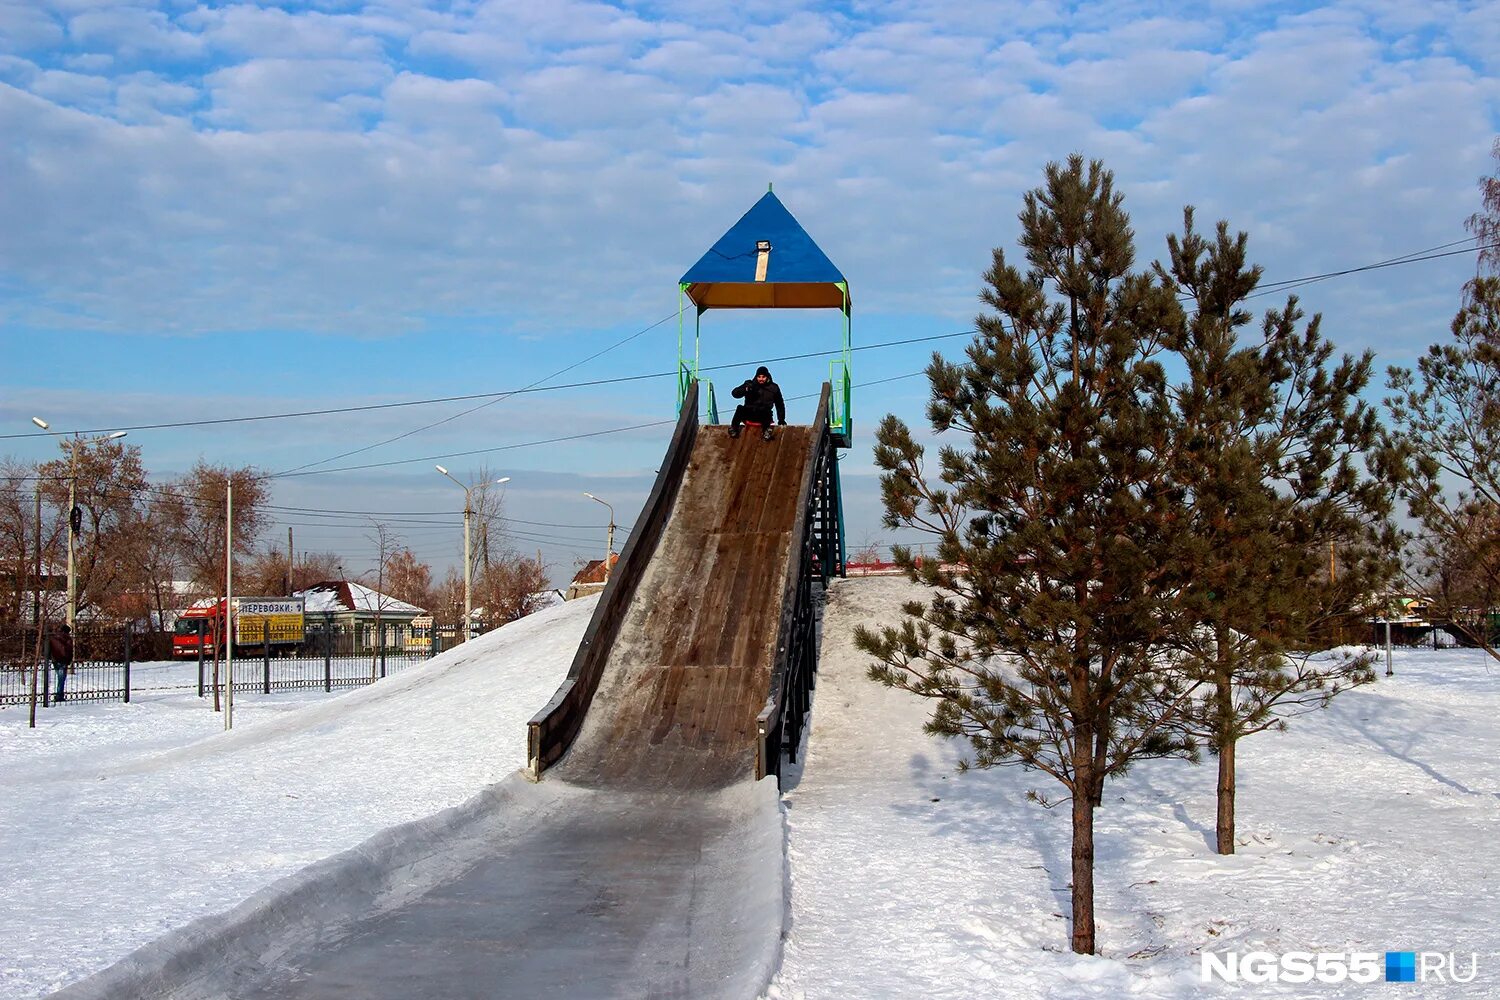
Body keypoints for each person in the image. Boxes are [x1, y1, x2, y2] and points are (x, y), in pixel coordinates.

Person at [729, 366, 786, 441]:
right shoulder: (750, 385)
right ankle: (734, 428)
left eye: (763, 377)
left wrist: (781, 420)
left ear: (767, 377)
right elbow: (735, 394)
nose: (761, 379)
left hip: (763, 416)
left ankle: (766, 432)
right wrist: (745, 389)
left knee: (766, 411)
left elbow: (779, 404)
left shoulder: (773, 388)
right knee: (740, 408)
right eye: (759, 377)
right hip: (750, 413)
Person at [47, 623, 73, 704]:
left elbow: (48, 648)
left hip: (55, 660)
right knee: (61, 678)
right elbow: (69, 650)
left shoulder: (53, 637)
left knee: (60, 677)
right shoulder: (67, 638)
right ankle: (59, 695)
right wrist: (69, 660)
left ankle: (59, 694)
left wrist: (49, 657)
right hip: (63, 660)